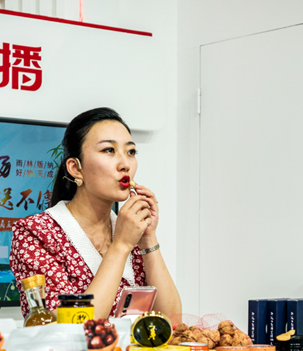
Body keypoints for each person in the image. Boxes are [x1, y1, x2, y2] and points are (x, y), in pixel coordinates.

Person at [10, 108, 181, 320]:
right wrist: (120, 246)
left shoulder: (131, 231)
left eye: (131, 152)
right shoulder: (35, 232)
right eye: (109, 150)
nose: (125, 164)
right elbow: (65, 327)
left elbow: (173, 321)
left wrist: (148, 238)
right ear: (75, 168)